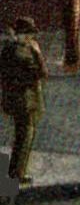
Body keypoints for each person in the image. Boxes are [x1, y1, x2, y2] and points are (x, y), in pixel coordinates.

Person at [1, 18, 47, 186]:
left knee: (22, 136)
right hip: (25, 100)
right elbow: (41, 72)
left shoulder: (8, 49)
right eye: (28, 34)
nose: (30, 38)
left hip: (15, 99)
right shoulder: (22, 52)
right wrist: (37, 52)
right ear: (20, 34)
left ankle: (15, 171)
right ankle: (17, 173)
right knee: (25, 135)